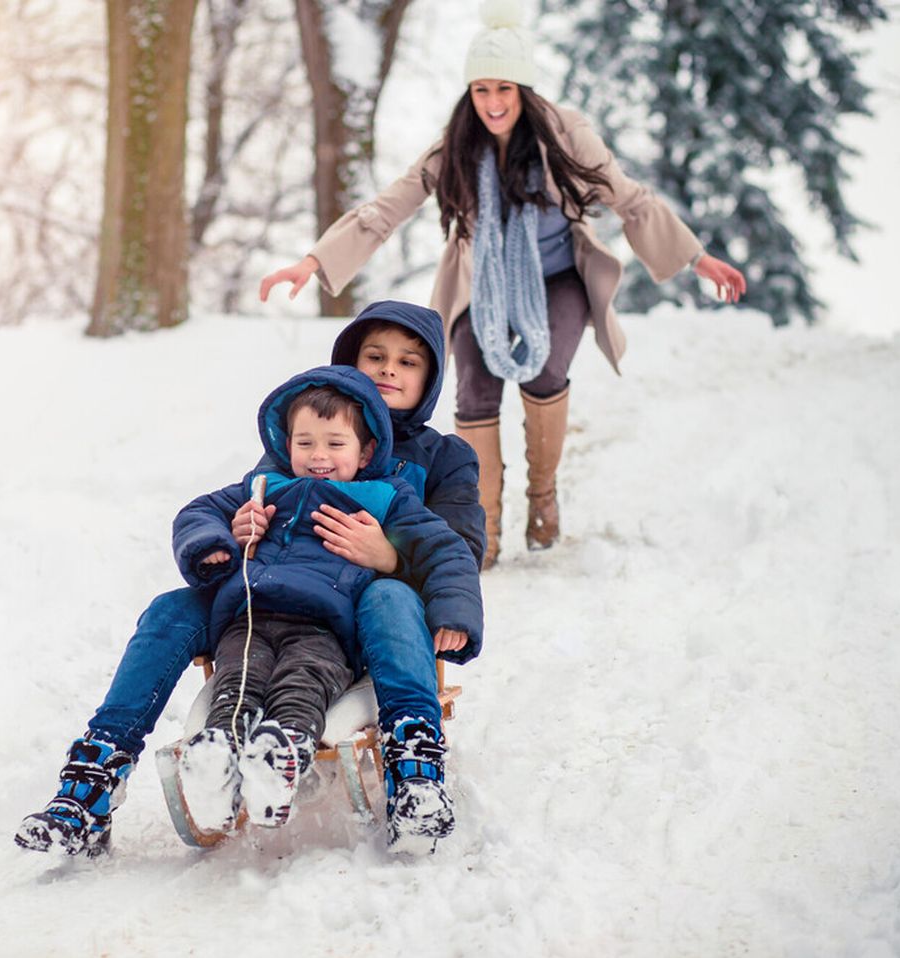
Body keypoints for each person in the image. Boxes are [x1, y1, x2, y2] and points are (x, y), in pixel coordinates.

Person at [259, 0, 749, 569]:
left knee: (545, 373)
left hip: (558, 276)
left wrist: (696, 257)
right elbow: (388, 207)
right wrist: (314, 262)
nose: (492, 103)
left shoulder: (566, 136)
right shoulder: (456, 149)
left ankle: (542, 494)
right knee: (475, 389)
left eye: (504, 89)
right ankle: (482, 528)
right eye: (481, 90)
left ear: (525, 90)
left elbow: (630, 199)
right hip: (481, 284)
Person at [15, 300, 485, 857]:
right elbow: (223, 506)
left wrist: (388, 556)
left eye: (407, 363)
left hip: (368, 613)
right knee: (170, 609)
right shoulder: (295, 448)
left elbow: (456, 548)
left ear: (429, 379)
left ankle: (415, 774)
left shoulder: (437, 461)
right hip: (263, 598)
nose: (388, 370)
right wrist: (232, 535)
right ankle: (94, 779)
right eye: (374, 357)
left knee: (387, 594)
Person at [170, 369, 482, 843]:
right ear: (286, 443)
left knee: (303, 678)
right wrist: (224, 537)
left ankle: (284, 752)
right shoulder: (265, 486)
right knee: (238, 678)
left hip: (328, 629)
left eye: (335, 445)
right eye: (306, 444)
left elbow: (448, 548)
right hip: (253, 619)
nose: (319, 457)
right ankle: (218, 763)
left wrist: (452, 610)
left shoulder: (384, 497)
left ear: (366, 451)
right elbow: (199, 511)